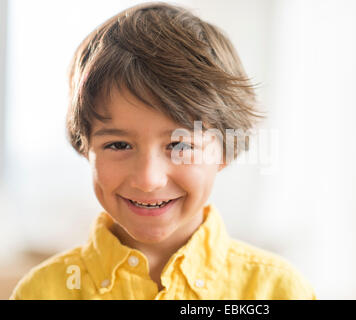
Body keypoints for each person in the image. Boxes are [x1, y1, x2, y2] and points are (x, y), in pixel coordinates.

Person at [10, 2, 315, 300]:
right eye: (118, 145)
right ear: (85, 147)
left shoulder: (278, 290)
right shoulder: (40, 292)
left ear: (225, 150)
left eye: (180, 145)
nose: (148, 179)